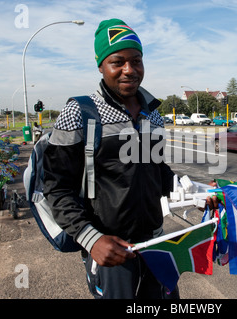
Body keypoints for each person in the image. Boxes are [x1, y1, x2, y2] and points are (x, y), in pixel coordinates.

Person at [43, 18, 179, 299]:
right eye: (118, 62)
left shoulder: (153, 114)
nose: (129, 70)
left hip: (156, 241)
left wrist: (197, 192)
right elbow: (56, 188)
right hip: (110, 247)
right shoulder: (78, 113)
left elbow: (157, 171)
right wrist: (91, 240)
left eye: (136, 61)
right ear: (101, 66)